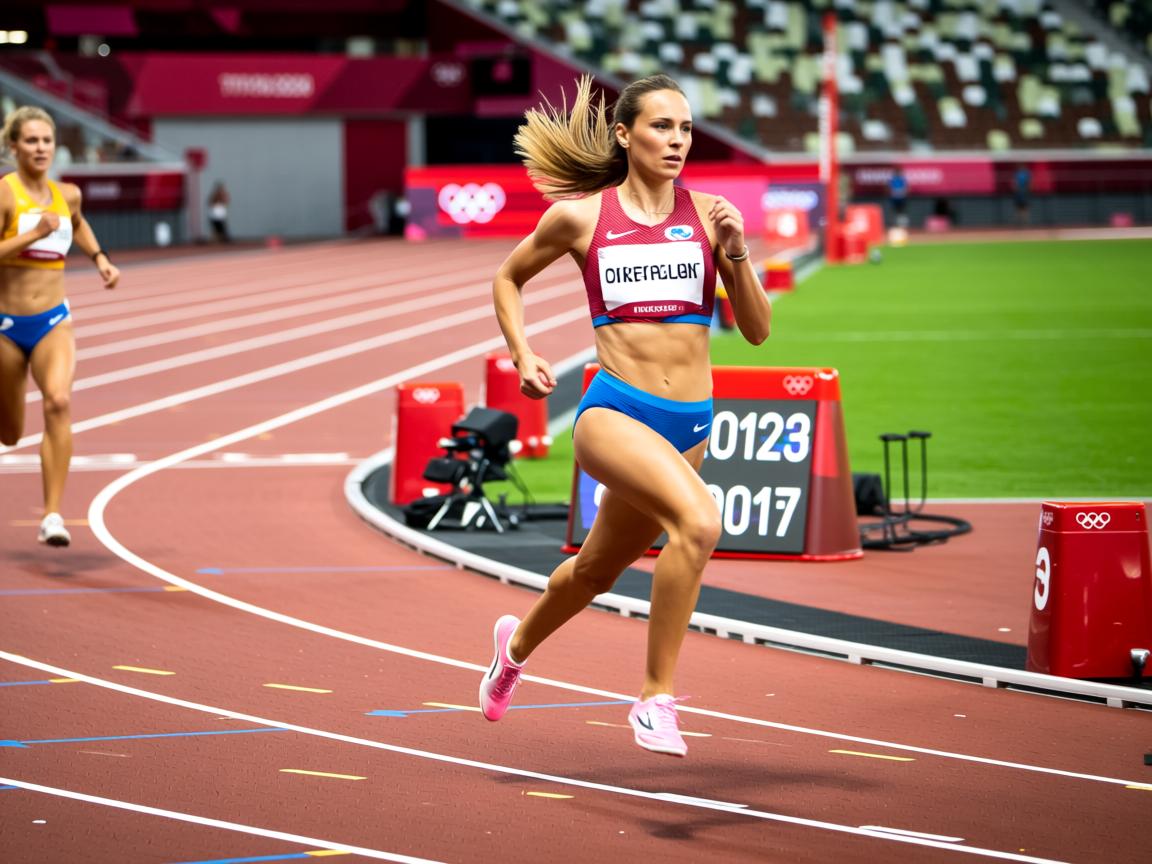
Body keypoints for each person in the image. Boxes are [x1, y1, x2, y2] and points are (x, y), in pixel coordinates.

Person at [480, 74, 771, 757]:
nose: (677, 141)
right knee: (698, 523)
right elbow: (508, 278)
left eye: (686, 129)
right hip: (614, 412)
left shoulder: (709, 216)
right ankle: (654, 699)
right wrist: (522, 354)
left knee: (594, 572)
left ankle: (512, 652)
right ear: (624, 133)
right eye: (662, 127)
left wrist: (737, 253)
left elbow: (756, 332)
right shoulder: (581, 218)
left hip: (690, 422)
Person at [0, 106, 120, 546]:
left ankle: (52, 515)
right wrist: (32, 234)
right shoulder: (6, 195)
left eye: (46, 141)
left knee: (58, 400)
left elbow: (78, 224)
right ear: (13, 147)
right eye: (30, 141)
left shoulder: (67, 194)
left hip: (53, 320)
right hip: (5, 327)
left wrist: (101, 258)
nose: (40, 148)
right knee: (9, 433)